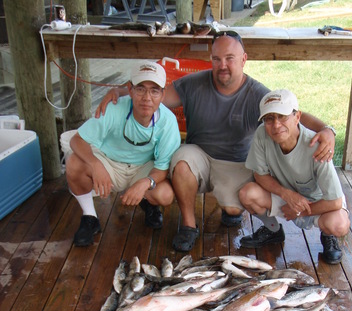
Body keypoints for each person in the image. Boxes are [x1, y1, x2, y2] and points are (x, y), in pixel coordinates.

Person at [96, 31, 336, 252]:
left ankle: (235, 210)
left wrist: (327, 130)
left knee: (233, 209)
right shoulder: (193, 83)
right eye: (217, 59)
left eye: (230, 58)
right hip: (198, 156)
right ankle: (189, 225)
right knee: (181, 160)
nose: (223, 65)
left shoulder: (257, 93)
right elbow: (154, 96)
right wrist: (120, 92)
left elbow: (289, 113)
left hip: (236, 163)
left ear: (243, 59)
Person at [66, 61, 181, 246]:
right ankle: (90, 217)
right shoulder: (113, 107)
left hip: (143, 168)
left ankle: (148, 203)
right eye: (140, 89)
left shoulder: (168, 122)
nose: (147, 97)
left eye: (154, 91)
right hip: (109, 162)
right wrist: (95, 165)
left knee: (165, 195)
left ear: (162, 94)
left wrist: (145, 183)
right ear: (130, 89)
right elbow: (77, 140)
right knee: (73, 163)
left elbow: (162, 167)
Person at [239, 89, 350, 264]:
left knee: (339, 225)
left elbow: (335, 202)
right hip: (287, 197)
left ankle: (328, 236)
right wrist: (286, 194)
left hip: (319, 203)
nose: (276, 125)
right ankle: (273, 230)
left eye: (282, 117)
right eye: (269, 118)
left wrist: (299, 210)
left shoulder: (317, 146)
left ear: (297, 117)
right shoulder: (262, 134)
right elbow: (260, 175)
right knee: (247, 194)